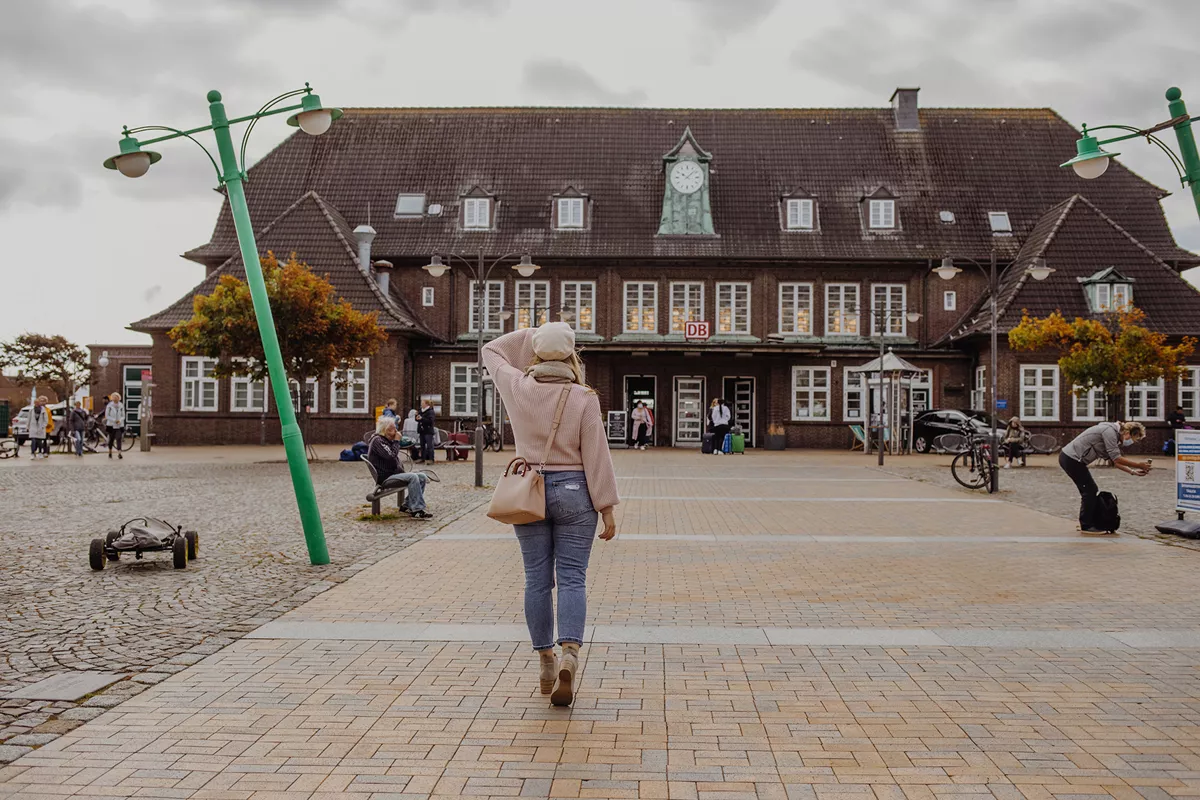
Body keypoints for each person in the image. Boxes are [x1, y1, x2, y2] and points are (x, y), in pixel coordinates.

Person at [482, 322, 619, 707]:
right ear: (573, 353)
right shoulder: (584, 397)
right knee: (573, 578)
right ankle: (570, 654)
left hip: (531, 491)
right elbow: (597, 454)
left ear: (537, 354)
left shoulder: (517, 386)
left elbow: (491, 349)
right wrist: (606, 506)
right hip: (577, 492)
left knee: (536, 581)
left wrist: (531, 333)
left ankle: (545, 658)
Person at [1059, 420, 1151, 535]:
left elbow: (1115, 462)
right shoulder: (1110, 432)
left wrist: (1133, 472)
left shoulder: (1113, 435)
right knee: (1090, 490)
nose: (1131, 442)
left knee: (1089, 490)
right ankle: (1086, 525)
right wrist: (1138, 464)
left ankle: (1087, 522)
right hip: (1072, 459)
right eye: (1134, 438)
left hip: (1073, 459)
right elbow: (1117, 459)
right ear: (1128, 433)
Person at [367, 416, 433, 519]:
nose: (396, 431)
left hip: (394, 474)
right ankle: (417, 510)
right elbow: (390, 456)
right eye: (394, 429)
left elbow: (393, 452)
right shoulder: (378, 441)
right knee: (413, 477)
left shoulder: (385, 440)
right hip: (386, 477)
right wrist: (397, 441)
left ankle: (406, 505)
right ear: (386, 430)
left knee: (421, 476)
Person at [104, 392, 126, 460]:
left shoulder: (121, 405)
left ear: (119, 398)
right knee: (111, 439)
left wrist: (120, 420)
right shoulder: (109, 406)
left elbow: (123, 415)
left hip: (119, 425)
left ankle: (119, 452)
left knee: (119, 438)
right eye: (114, 397)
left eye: (116, 397)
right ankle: (110, 451)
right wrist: (114, 420)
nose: (115, 398)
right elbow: (107, 415)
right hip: (111, 425)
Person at [417, 398, 436, 464]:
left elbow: (431, 421)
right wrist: (417, 418)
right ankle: (423, 458)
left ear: (426, 404)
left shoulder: (430, 411)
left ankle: (431, 459)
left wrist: (422, 419)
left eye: (422, 403)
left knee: (429, 446)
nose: (421, 404)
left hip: (428, 431)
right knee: (422, 445)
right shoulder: (420, 411)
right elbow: (417, 418)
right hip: (421, 430)